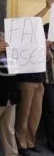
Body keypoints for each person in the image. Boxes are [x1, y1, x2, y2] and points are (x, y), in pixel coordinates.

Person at [15, 0, 54, 155]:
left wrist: (48, 52)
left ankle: (31, 142)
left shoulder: (48, 40)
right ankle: (21, 144)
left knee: (35, 115)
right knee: (24, 113)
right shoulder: (34, 29)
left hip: (40, 80)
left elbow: (46, 59)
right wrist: (47, 7)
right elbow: (34, 21)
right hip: (27, 79)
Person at [42, 23, 54, 152]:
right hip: (49, 82)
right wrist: (47, 48)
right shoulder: (43, 46)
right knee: (51, 111)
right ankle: (51, 142)